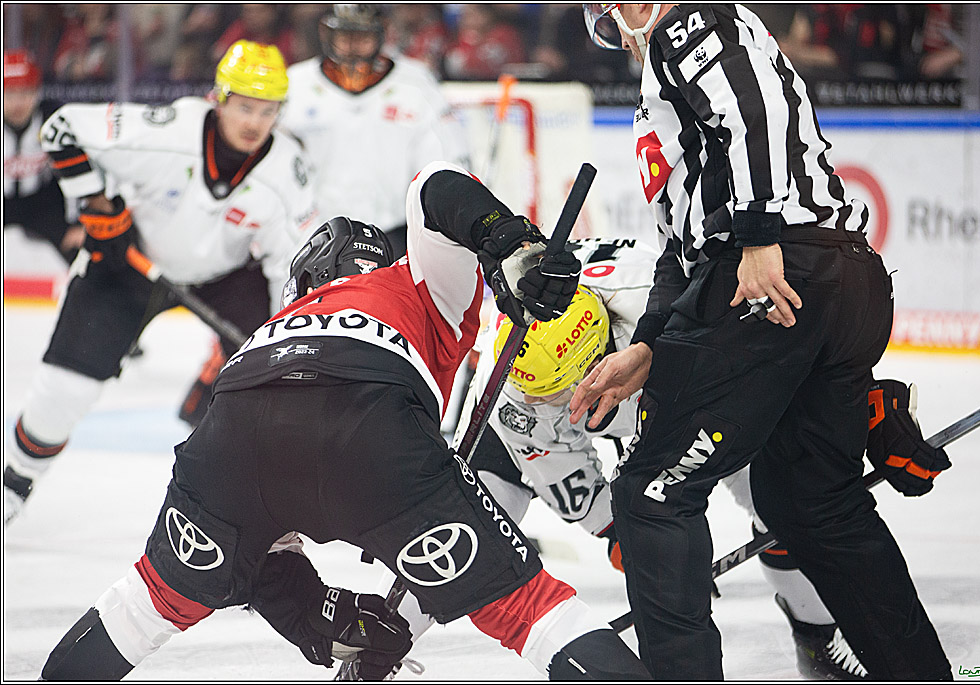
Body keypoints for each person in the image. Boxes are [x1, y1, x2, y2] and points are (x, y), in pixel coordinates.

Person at [39, 161, 652, 681]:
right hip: (372, 423)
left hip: (236, 423)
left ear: (303, 282)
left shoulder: (277, 325)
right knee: (532, 610)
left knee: (142, 606)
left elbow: (259, 534)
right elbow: (435, 187)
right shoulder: (414, 283)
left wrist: (316, 614)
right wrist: (513, 244)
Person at [572, 4, 953, 680]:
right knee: (806, 498)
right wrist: (650, 344)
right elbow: (678, 247)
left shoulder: (686, 23)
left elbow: (754, 112)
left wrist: (757, 234)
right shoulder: (667, 85)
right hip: (844, 277)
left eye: (615, 22)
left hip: (776, 276)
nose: (621, 42)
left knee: (652, 492)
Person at [368, 236, 875, 679]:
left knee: (774, 489)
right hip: (532, 424)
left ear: (605, 348)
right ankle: (375, 650)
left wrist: (857, 406)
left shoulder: (671, 309)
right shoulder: (516, 395)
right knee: (455, 531)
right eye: (548, 396)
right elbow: (575, 483)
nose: (563, 407)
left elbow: (778, 357)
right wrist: (630, 541)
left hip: (675, 378)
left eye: (569, 391)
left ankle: (816, 635)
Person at [3, 41, 319, 526]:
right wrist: (93, 202)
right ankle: (13, 485)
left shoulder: (287, 171)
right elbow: (61, 127)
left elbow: (289, 266)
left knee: (275, 376)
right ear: (220, 99)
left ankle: (258, 506)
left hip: (224, 277)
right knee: (61, 396)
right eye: (246, 107)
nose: (255, 122)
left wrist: (287, 337)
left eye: (269, 110)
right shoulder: (167, 131)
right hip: (126, 266)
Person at [281, 4, 470, 259]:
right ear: (327, 33)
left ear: (381, 33)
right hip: (314, 236)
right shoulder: (295, 84)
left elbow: (445, 163)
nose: (353, 45)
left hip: (395, 236)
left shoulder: (416, 83)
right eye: (345, 35)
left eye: (363, 36)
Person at [3, 49, 84, 264]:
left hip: (43, 202)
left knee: (80, 251)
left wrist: (76, 223)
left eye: (25, 93)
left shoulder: (52, 121)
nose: (17, 103)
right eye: (9, 95)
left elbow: (74, 171)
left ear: (37, 93)